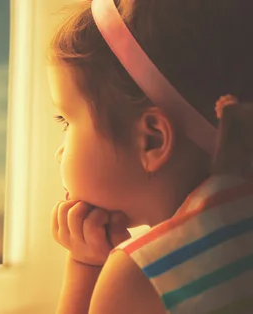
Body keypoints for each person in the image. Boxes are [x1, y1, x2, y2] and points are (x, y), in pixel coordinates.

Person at [48, 0, 253, 313]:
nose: (59, 152)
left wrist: (84, 266)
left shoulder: (143, 277)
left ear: (152, 139)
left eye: (66, 121)